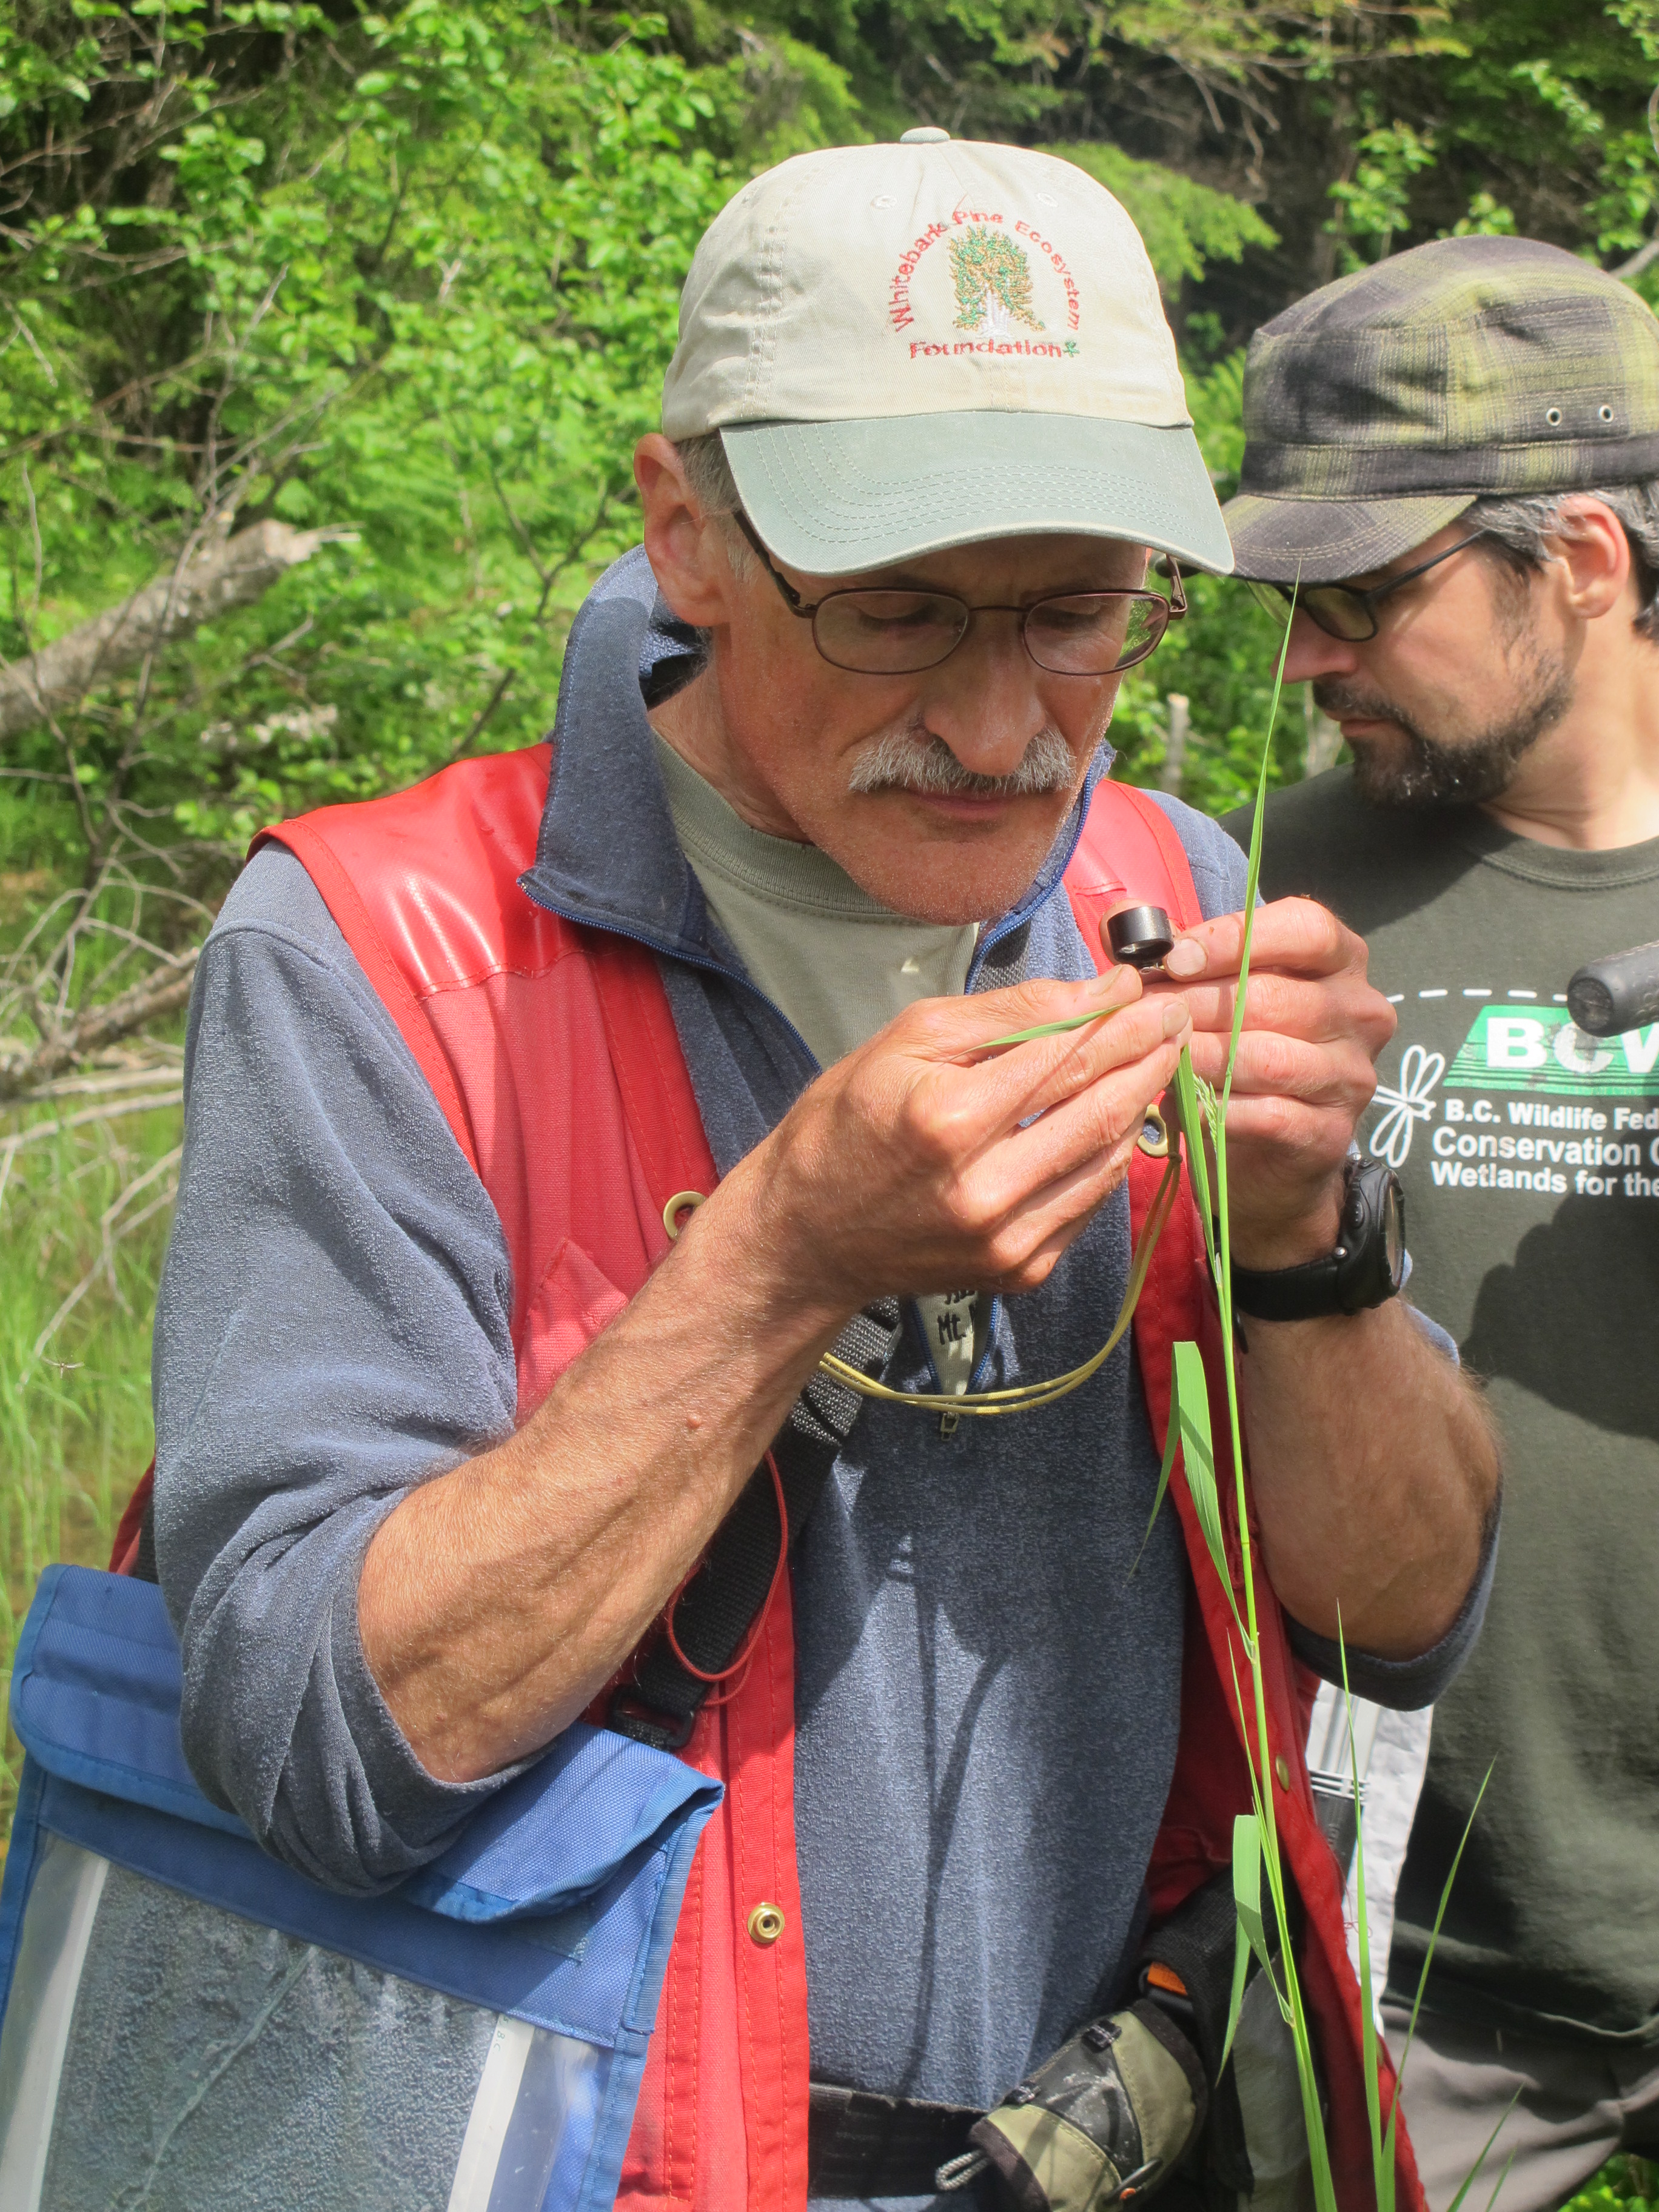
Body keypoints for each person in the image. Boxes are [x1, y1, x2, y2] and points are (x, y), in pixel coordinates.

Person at [111, 138, 1500, 2211]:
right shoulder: (382, 949)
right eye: (899, 611)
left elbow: (1404, 1620)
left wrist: (1308, 1245)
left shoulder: (1165, 886)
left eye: (1079, 614)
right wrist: (775, 1260)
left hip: (1117, 2135)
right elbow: (317, 1742)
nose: (1001, 722)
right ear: (690, 530)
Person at [1224, 233, 1659, 2212]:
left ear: (1581, 559)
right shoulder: (1254, 897)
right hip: (1414, 1952)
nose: (1305, 654)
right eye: (1288, 596)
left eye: (1363, 593)